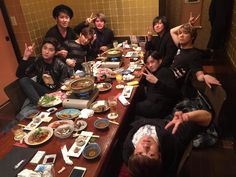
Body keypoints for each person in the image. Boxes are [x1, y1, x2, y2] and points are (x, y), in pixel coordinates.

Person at [123, 95, 213, 177]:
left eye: (139, 153)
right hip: (163, 117)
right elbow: (208, 118)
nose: (146, 146)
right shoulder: (173, 135)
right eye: (151, 154)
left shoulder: (128, 154)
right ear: (159, 155)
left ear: (133, 152)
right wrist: (186, 117)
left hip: (138, 120)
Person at [169, 14, 221, 98]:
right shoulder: (180, 46)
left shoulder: (194, 54)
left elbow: (198, 73)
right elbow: (172, 31)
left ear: (192, 37)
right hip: (168, 77)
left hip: (174, 86)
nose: (181, 35)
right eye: (180, 33)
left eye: (185, 33)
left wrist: (204, 76)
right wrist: (188, 24)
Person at [16, 38, 69, 105]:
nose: (46, 52)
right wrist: (25, 57)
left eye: (51, 50)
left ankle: (43, 103)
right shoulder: (38, 60)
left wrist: (55, 93)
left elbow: (63, 85)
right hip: (43, 91)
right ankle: (38, 104)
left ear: (55, 53)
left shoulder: (61, 65)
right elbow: (20, 75)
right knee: (23, 80)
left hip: (57, 92)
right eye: (45, 48)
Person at [134, 51, 181, 119]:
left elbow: (175, 93)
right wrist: (140, 76)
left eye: (152, 62)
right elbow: (149, 81)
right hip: (153, 100)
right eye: (147, 63)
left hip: (161, 106)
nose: (150, 65)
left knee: (133, 107)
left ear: (160, 61)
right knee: (136, 95)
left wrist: (156, 82)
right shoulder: (154, 71)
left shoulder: (165, 72)